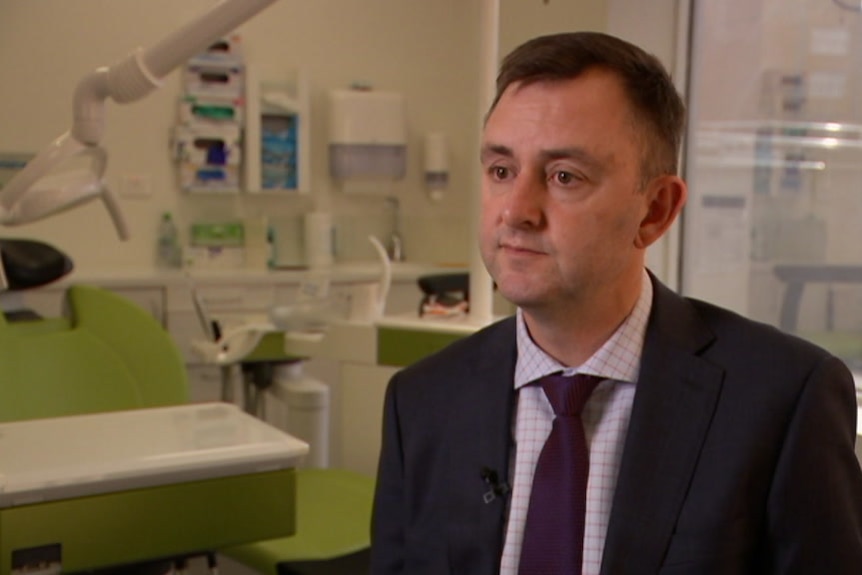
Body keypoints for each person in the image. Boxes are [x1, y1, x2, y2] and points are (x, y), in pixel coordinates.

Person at [370, 31, 862, 575]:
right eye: (502, 171)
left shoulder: (783, 401)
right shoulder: (421, 403)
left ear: (655, 210)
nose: (516, 211)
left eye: (564, 177)